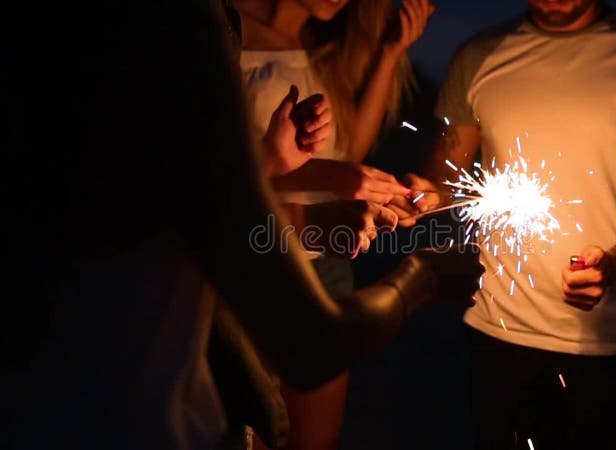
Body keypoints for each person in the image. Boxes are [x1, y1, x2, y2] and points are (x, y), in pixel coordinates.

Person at [0, 2, 483, 449]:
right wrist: (425, 273)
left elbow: (197, 215)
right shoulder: (176, 37)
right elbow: (311, 342)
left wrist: (273, 166)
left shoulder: (70, 77)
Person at [390, 0, 616, 448]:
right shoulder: (479, 56)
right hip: (497, 329)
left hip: (608, 339)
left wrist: (613, 264)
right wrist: (419, 196)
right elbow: (445, 177)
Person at [224, 1, 435, 448]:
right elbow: (215, 177)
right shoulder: (225, 26)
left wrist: (391, 53)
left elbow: (349, 154)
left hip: (325, 266)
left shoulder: (311, 49)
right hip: (256, 262)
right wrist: (335, 180)